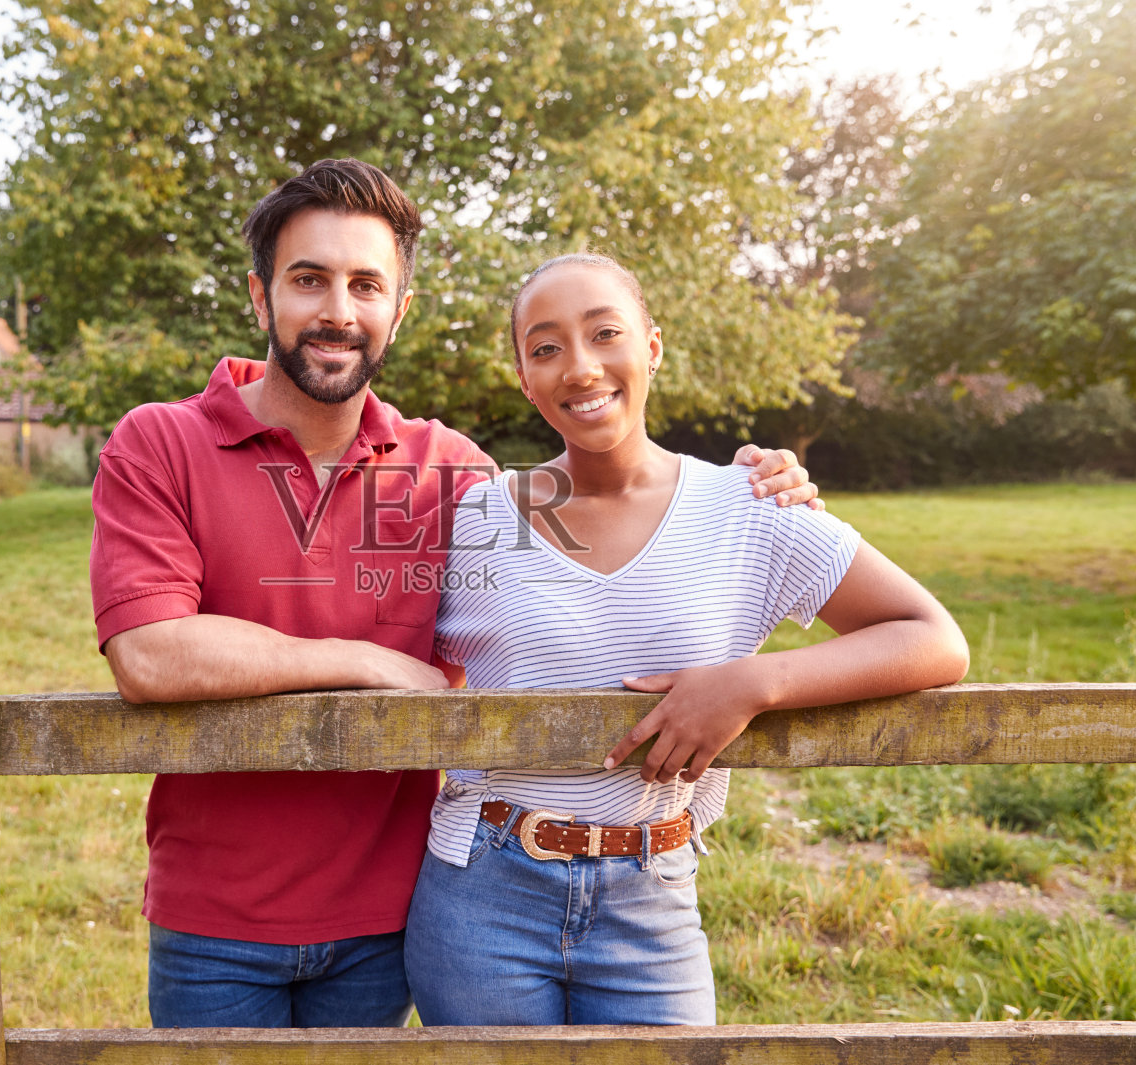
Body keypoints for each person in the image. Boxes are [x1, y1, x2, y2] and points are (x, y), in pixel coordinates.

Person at [89, 161, 820, 1029]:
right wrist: (368, 661)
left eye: (366, 284)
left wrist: (753, 486)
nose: (337, 310)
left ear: (399, 311)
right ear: (261, 296)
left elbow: (597, 565)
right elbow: (147, 653)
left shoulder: (452, 473)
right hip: (214, 915)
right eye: (308, 279)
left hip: (391, 912)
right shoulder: (159, 442)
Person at [403, 253, 971, 1027]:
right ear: (523, 378)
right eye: (546, 348)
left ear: (653, 347)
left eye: (605, 333)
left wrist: (750, 684)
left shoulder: (750, 504)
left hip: (652, 890)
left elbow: (933, 638)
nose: (580, 366)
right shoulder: (476, 520)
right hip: (482, 891)